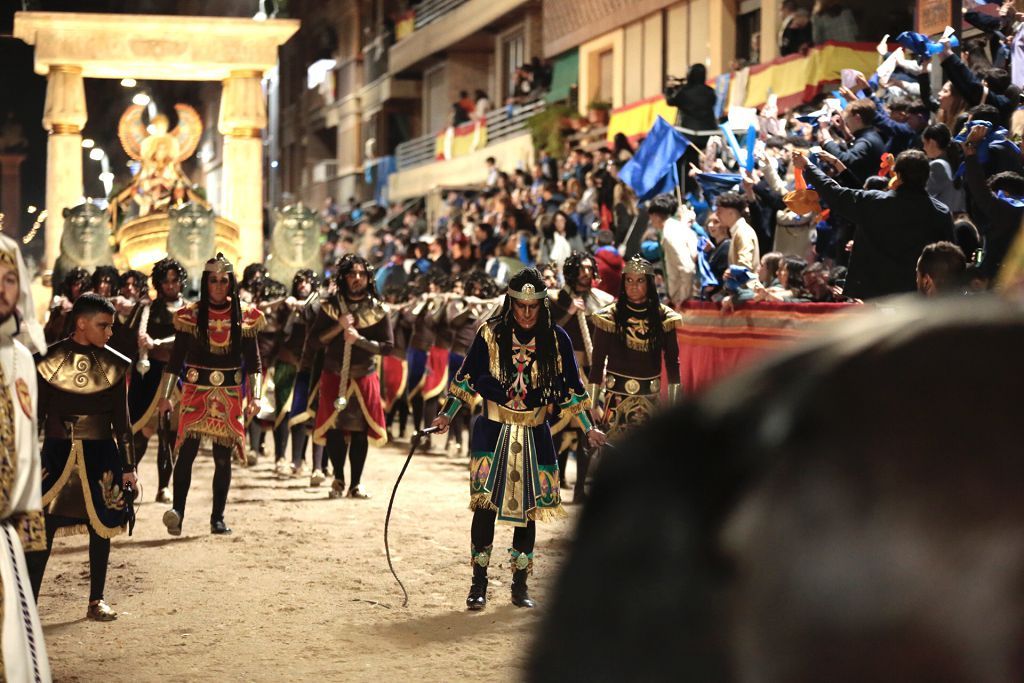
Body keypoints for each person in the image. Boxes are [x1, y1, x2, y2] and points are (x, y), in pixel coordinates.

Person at [431, 268, 606, 611]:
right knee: (484, 509)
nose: (527, 313)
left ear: (543, 304)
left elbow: (572, 390)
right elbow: (465, 380)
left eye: (533, 306)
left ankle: (519, 586)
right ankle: (478, 585)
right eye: (520, 305)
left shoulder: (557, 340)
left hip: (536, 434)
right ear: (510, 303)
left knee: (528, 512)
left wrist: (589, 428)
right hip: (492, 431)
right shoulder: (489, 335)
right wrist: (446, 416)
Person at [29, 294, 137, 622]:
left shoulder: (116, 365)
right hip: (57, 453)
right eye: (103, 326)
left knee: (100, 526)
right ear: (81, 323)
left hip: (102, 453)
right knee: (43, 527)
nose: (109, 333)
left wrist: (130, 467)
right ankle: (28, 605)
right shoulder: (45, 360)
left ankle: (96, 600)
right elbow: (34, 415)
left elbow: (123, 420)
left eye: (111, 327)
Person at [158, 253, 265, 536]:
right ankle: (177, 511)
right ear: (206, 282)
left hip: (229, 392)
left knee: (222, 458)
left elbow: (254, 362)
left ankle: (217, 518)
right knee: (187, 453)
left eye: (224, 280)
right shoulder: (190, 316)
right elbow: (175, 359)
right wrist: (166, 395)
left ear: (231, 283)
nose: (219, 285)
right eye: (214, 280)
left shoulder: (246, 316)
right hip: (195, 391)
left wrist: (255, 396)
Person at [794, 150, 954, 299]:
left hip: (875, 296)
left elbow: (835, 194)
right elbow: (951, 258)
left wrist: (808, 166)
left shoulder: (874, 202)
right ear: (926, 176)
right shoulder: (941, 212)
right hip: (920, 297)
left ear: (897, 175)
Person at [0, 233, 51, 679]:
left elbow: (26, 447)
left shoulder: (21, 359)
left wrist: (26, 520)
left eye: (10, 279)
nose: (2, 289)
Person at [307, 254, 393, 499]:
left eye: (361, 274)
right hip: (335, 374)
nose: (357, 279)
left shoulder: (378, 309)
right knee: (335, 428)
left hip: (364, 376)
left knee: (359, 431)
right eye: (352, 274)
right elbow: (314, 341)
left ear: (368, 278)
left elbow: (387, 346)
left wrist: (361, 341)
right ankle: (338, 479)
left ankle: (356, 483)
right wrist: (338, 326)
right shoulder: (330, 307)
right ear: (343, 277)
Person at [588, 256, 682, 440]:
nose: (633, 285)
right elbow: (597, 362)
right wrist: (591, 403)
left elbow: (673, 363)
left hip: (651, 400)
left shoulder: (665, 316)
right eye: (629, 280)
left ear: (650, 283)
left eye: (640, 280)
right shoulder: (609, 316)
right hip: (616, 400)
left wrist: (675, 405)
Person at [548, 252, 615, 502]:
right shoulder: (556, 298)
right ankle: (551, 486)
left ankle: (579, 490)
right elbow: (549, 331)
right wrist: (568, 311)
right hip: (562, 372)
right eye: (582, 268)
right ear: (573, 270)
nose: (586, 272)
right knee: (555, 430)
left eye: (589, 268)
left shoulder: (602, 301)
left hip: (590, 373)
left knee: (589, 430)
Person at [130, 257, 189, 504]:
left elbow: (190, 341)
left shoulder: (190, 310)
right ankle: (128, 482)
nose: (170, 285)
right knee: (142, 432)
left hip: (179, 377)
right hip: (151, 375)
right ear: (159, 283)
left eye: (174, 280)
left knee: (171, 434)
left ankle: (164, 487)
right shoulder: (147, 310)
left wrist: (160, 344)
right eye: (165, 281)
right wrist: (142, 343)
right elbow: (132, 336)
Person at [268, 270, 320, 476]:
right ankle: (280, 457)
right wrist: (288, 309)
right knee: (282, 412)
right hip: (286, 364)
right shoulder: (285, 307)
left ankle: (300, 460)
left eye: (307, 282)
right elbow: (277, 333)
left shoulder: (318, 307)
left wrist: (304, 307)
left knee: (304, 414)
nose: (303, 285)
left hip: (307, 366)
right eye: (299, 281)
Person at [647, 193, 699, 305]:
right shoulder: (679, 227)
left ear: (655, 216)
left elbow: (687, 268)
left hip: (684, 300)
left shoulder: (669, 234)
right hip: (683, 294)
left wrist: (682, 298)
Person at [819, 98, 886, 184]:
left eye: (846, 119)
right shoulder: (871, 134)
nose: (844, 121)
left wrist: (825, 134)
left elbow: (846, 159)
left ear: (857, 118)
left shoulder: (866, 140)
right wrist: (843, 130)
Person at [715, 192, 761, 272]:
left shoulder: (743, 232)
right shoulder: (738, 231)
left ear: (731, 213)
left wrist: (731, 272)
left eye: (720, 212)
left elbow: (745, 264)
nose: (717, 215)